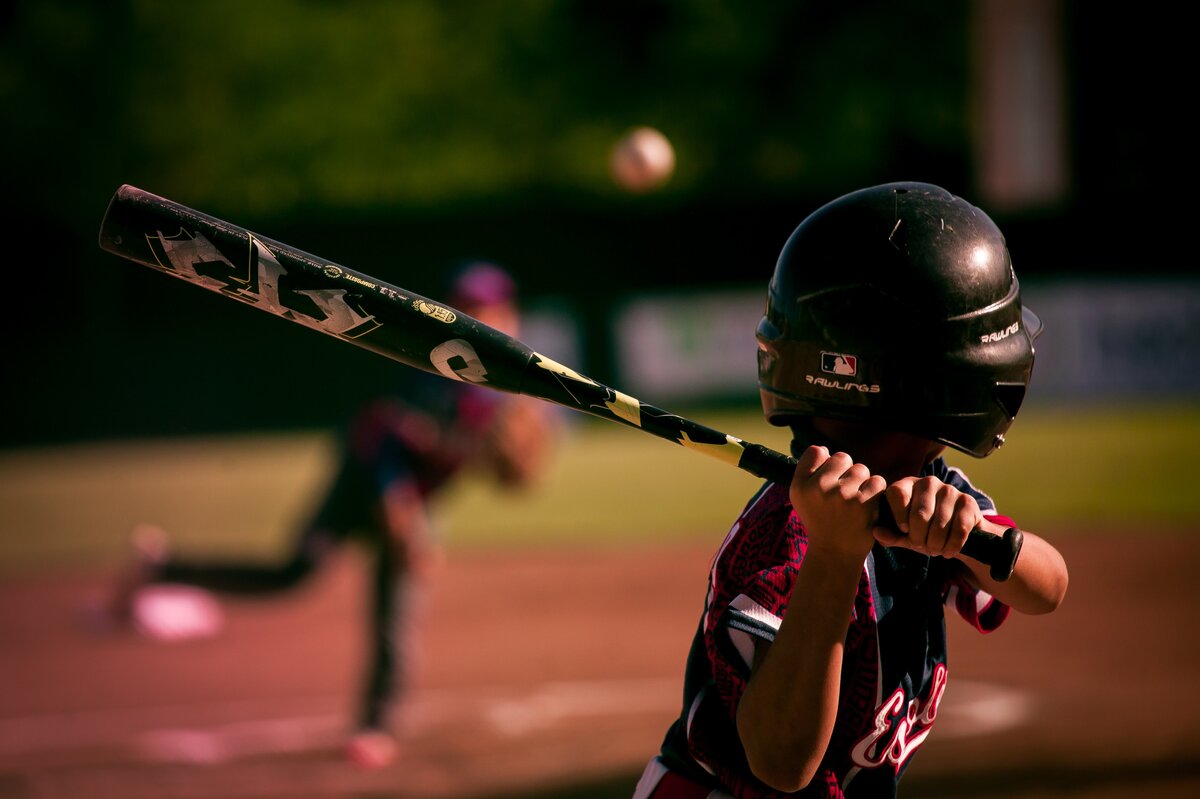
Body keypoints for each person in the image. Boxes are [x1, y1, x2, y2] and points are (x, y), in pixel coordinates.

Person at [632, 182, 1069, 798]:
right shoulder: (779, 542)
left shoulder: (933, 490)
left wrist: (968, 538)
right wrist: (835, 557)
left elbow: (1047, 588)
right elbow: (782, 763)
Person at [106, 260, 560, 769]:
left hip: (415, 498)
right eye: (472, 307)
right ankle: (165, 567)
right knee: (293, 572)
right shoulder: (429, 368)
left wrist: (504, 461)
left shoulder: (509, 386)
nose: (485, 316)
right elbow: (384, 434)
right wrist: (400, 507)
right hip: (361, 481)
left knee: (395, 610)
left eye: (494, 307)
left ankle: (376, 725)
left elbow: (501, 462)